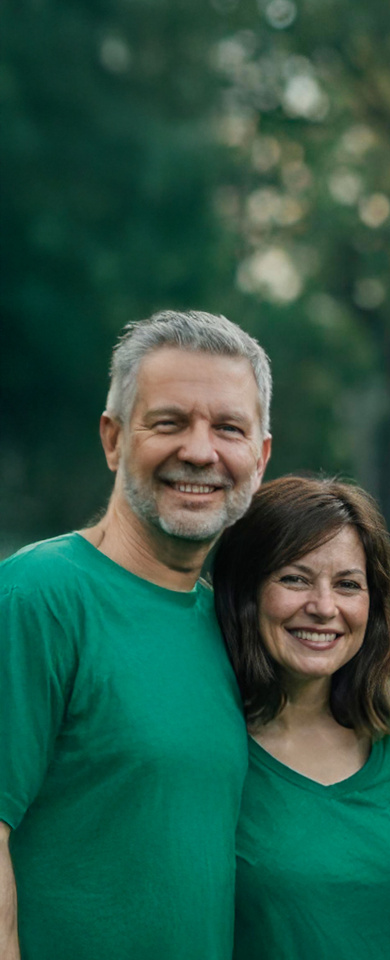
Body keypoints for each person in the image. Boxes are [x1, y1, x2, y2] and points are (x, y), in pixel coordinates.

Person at [0, 310, 271, 960]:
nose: (201, 452)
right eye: (170, 422)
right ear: (114, 438)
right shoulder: (37, 596)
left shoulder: (232, 628)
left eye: (228, 428)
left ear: (260, 457)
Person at [212, 477, 390, 960]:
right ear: (246, 590)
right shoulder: (207, 741)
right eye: (294, 578)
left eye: (347, 585)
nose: (324, 608)